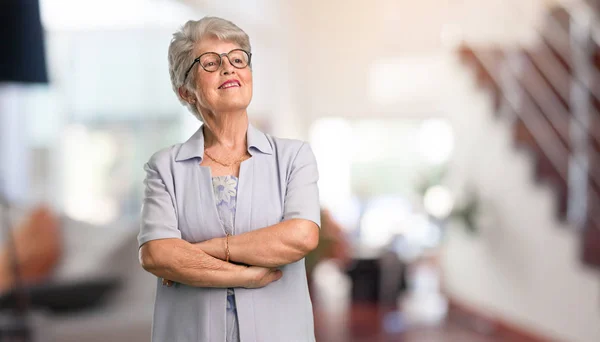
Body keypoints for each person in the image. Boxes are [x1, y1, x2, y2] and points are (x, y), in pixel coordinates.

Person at [137, 16, 321, 342]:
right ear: (187, 91)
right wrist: (244, 277)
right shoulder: (165, 167)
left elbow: (300, 237)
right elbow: (156, 255)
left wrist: (199, 251)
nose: (228, 68)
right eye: (210, 62)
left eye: (238, 58)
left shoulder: (294, 157)